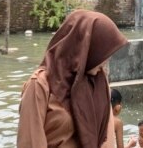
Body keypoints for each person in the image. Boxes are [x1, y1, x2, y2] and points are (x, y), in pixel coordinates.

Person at [17, 10, 129, 148]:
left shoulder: (99, 82)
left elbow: (106, 139)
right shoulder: (40, 85)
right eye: (103, 51)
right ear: (86, 47)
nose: (106, 60)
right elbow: (31, 142)